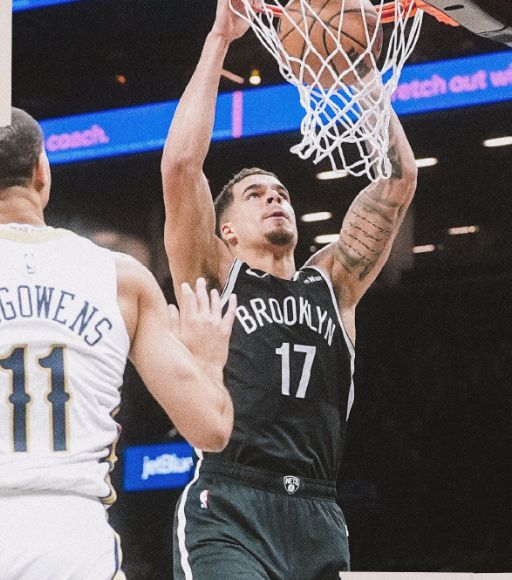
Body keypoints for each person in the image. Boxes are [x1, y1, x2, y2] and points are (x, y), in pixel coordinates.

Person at [161, 1, 417, 577]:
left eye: (280, 193)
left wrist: (359, 68)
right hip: (231, 503)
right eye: (255, 195)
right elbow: (180, 168)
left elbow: (399, 180)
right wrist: (219, 40)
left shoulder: (333, 282)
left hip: (318, 511)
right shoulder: (215, 275)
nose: (274, 198)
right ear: (226, 230)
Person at [0, 107, 236, 580]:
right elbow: (211, 429)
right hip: (73, 538)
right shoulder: (121, 278)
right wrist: (209, 360)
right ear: (42, 172)